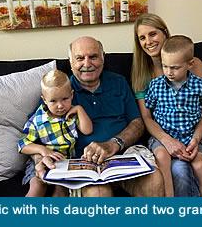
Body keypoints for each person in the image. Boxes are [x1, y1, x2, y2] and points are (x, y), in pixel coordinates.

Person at [34, 36, 165, 197]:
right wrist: (40, 157)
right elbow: (34, 133)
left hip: (125, 152)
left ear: (103, 58)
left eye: (93, 57)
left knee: (154, 179)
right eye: (80, 58)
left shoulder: (118, 82)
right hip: (83, 160)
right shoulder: (60, 91)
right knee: (97, 193)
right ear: (71, 62)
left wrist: (114, 143)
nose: (87, 64)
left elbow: (137, 122)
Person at [131, 13, 202, 196]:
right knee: (179, 172)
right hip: (166, 134)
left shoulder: (193, 63)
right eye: (142, 37)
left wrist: (196, 139)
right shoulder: (142, 74)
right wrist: (168, 141)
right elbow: (147, 117)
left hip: (198, 130)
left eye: (153, 34)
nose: (148, 41)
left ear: (164, 33)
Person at [145, 35, 202, 197]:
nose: (169, 72)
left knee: (201, 167)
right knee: (162, 158)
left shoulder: (200, 85)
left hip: (191, 136)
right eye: (165, 66)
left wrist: (197, 137)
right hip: (164, 137)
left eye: (175, 68)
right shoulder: (156, 85)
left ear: (190, 64)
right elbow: (149, 108)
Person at [18, 69, 93, 197]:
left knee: (62, 189)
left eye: (65, 99)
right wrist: (43, 150)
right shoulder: (38, 120)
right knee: (37, 185)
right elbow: (22, 145)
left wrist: (79, 109)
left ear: (72, 95)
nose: (60, 106)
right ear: (44, 100)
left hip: (65, 162)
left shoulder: (72, 114)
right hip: (42, 160)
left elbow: (88, 130)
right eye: (53, 101)